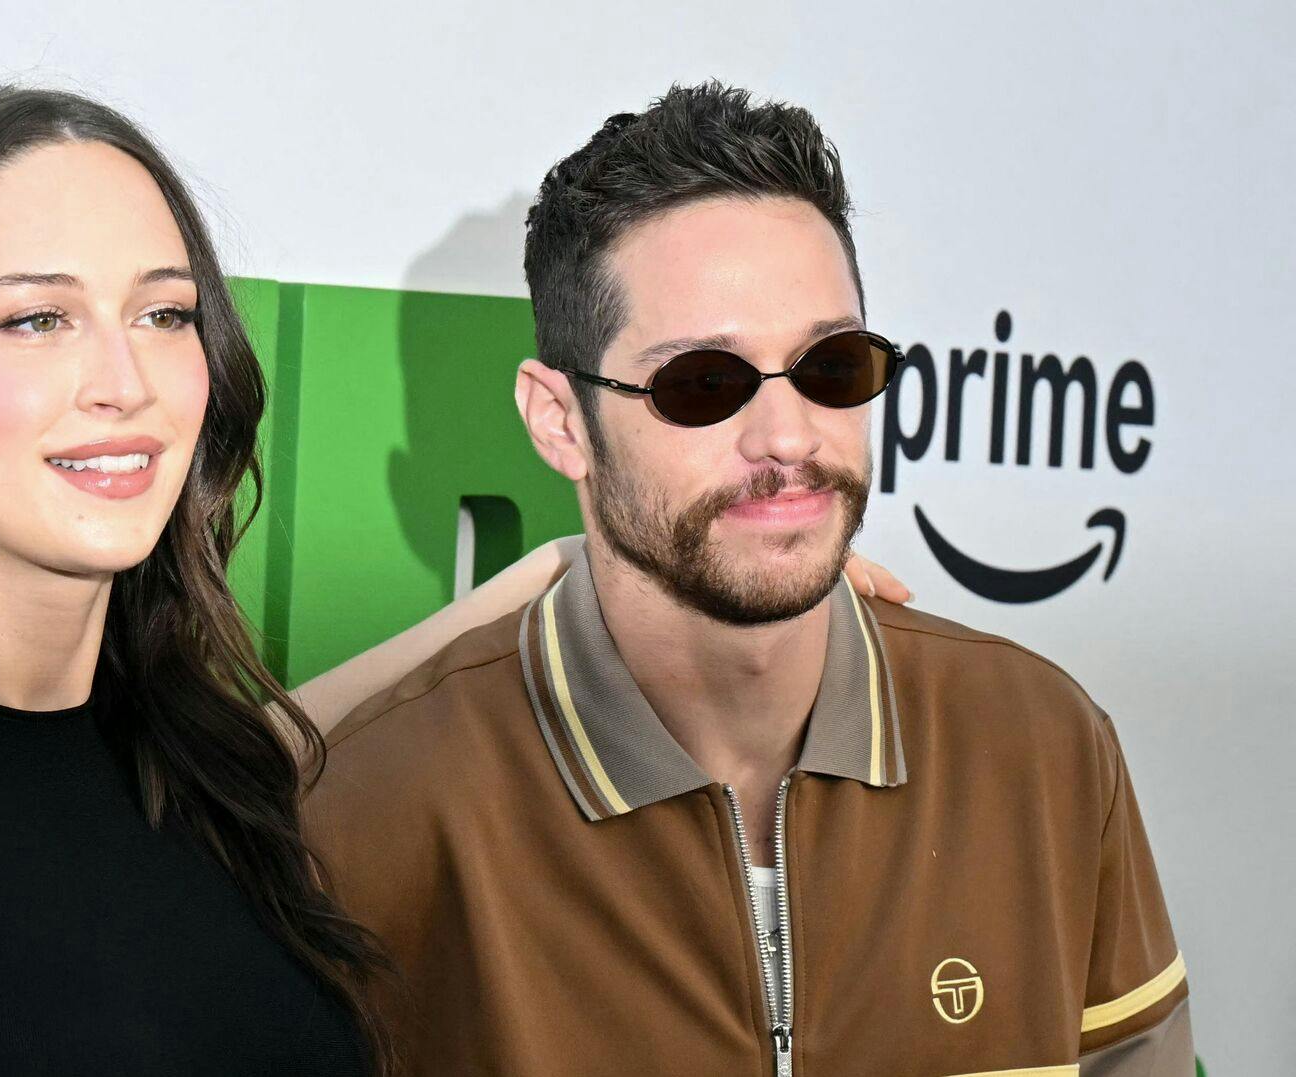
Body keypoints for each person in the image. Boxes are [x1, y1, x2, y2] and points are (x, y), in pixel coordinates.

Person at [0, 84, 904, 1076]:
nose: (126, 381)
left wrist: (562, 575)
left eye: (164, 312)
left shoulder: (189, 762)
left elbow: (218, 777)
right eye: (36, 317)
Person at [305, 82, 1191, 1076]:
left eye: (833, 366)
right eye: (705, 384)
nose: (788, 438)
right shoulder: (380, 806)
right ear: (560, 422)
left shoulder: (1041, 746)